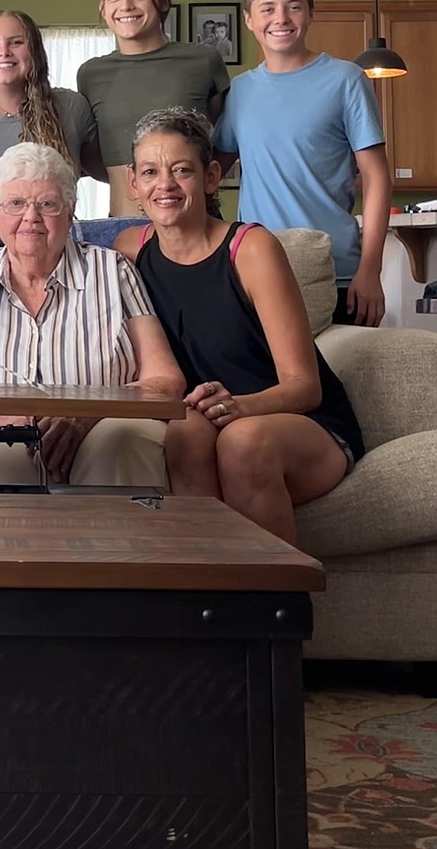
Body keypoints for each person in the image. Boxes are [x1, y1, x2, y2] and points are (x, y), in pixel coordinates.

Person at [115, 108, 363, 542]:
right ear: (134, 185)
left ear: (211, 177)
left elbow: (305, 387)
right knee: (185, 431)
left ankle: (275, 604)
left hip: (301, 425)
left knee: (241, 441)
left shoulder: (250, 248)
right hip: (206, 417)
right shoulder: (130, 250)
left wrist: (238, 408)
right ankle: (208, 594)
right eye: (150, 172)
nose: (165, 185)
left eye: (182, 170)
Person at [0, 142, 184, 486]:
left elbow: (165, 383)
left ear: (70, 214)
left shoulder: (113, 271)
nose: (31, 217)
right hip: (1, 429)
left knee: (119, 441)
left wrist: (85, 415)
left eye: (47, 204)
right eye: (16, 204)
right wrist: (27, 420)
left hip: (106, 424)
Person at [215, 0, 390, 327]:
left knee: (341, 382)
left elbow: (377, 179)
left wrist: (370, 270)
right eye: (267, 8)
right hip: (257, 271)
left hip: (337, 271)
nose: (281, 18)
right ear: (249, 20)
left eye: (293, 6)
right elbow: (209, 172)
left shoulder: (346, 79)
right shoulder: (240, 91)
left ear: (310, 14)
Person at [77, 0, 230, 216]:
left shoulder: (203, 61)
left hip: (196, 227)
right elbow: (90, 154)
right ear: (103, 7)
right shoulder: (91, 74)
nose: (125, 6)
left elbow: (226, 143)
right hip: (124, 228)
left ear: (162, 0)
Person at [0, 9, 105, 218]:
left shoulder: (71, 107)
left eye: (16, 42)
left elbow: (103, 169)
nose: (4, 52)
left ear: (35, 51)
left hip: (46, 239)